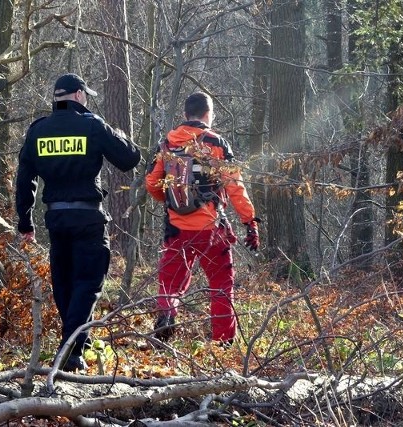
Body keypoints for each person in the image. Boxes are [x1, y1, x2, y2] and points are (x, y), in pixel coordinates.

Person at [16, 73, 141, 372]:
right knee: (88, 283)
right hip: (88, 218)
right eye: (85, 95)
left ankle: (76, 346)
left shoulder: (38, 131)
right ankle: (70, 347)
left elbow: (24, 180)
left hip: (56, 219)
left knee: (65, 284)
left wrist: (25, 220)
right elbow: (129, 159)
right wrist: (120, 134)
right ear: (78, 95)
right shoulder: (92, 125)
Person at [145, 91, 260, 345]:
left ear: (186, 114)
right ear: (209, 114)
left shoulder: (167, 143)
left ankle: (167, 318)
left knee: (170, 282)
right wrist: (249, 222)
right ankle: (222, 342)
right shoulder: (216, 143)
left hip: (176, 228)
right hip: (211, 228)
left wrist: (172, 202)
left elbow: (152, 182)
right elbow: (235, 186)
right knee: (221, 285)